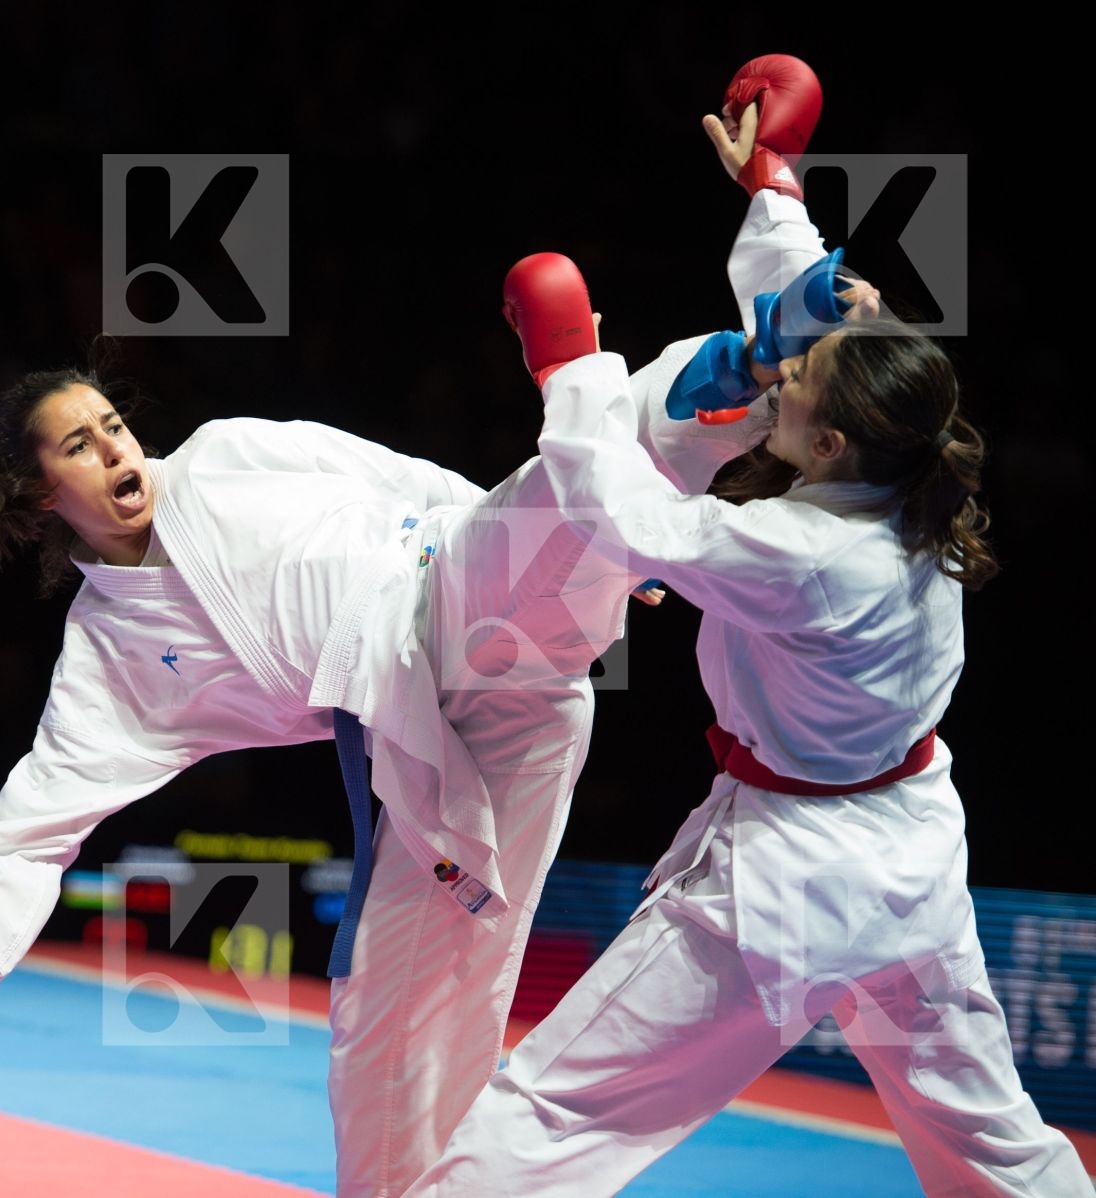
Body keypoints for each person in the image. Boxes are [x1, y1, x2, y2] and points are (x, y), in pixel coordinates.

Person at [0, 140, 828, 1186]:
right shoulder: (111, 655)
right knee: (387, 1027)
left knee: (534, 514)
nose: (116, 448)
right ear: (43, 497)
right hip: (428, 747)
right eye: (79, 446)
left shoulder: (226, 451)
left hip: (449, 592)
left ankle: (728, 363)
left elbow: (407, 479)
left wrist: (592, 534)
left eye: (114, 424)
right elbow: (46, 803)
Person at [401, 119, 1093, 1198]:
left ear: (825, 445)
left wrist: (573, 364)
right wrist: (774, 186)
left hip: (779, 893)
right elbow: (816, 326)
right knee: (993, 1146)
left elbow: (610, 507)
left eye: (798, 383)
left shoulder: (802, 552)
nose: (779, 371)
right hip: (907, 867)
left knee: (560, 1108)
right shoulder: (905, 482)